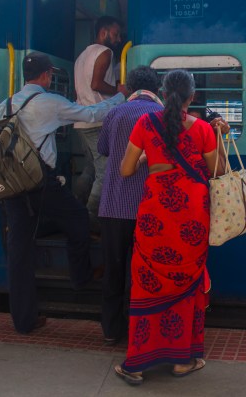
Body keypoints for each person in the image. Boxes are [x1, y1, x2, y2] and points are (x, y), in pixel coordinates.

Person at [113, 69, 230, 386]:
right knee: (186, 283)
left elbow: (125, 169)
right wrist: (223, 136)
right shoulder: (204, 129)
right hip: (192, 217)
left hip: (156, 216)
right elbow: (218, 171)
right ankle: (182, 361)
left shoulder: (145, 124)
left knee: (147, 283)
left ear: (163, 94)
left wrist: (146, 160)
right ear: (192, 97)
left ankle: (136, 364)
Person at [0, 51, 124, 334]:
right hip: (41, 184)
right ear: (46, 75)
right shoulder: (49, 102)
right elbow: (92, 114)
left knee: (20, 250)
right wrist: (120, 96)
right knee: (77, 218)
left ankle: (24, 320)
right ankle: (81, 277)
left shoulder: (4, 106)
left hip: (12, 186)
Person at [97, 65, 163, 346]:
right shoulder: (160, 115)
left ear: (131, 87)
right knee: (142, 272)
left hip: (113, 205)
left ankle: (111, 330)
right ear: (157, 89)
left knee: (113, 269)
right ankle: (139, 329)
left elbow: (102, 149)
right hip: (146, 208)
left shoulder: (115, 112)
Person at [73, 16, 128, 226]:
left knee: (91, 169)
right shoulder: (105, 52)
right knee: (105, 171)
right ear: (103, 32)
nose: (118, 38)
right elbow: (96, 84)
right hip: (96, 120)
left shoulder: (82, 56)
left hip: (81, 121)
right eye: (115, 34)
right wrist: (118, 90)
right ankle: (90, 220)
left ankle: (75, 210)